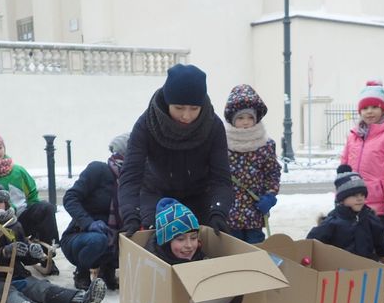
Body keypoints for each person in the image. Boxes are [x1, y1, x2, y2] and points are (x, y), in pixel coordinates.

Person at [118, 63, 232, 237]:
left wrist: (218, 211)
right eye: (179, 108)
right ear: (167, 102)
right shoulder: (146, 124)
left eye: (194, 109)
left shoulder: (213, 126)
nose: (186, 116)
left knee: (199, 251)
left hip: (200, 197)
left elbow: (221, 178)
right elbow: (131, 175)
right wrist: (131, 215)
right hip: (156, 196)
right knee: (158, 247)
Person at [0, 183, 105, 303]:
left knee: (41, 287)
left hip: (16, 273)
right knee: (5, 294)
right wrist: (4, 252)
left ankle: (80, 300)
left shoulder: (13, 224)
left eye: (0, 200)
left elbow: (25, 258)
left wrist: (31, 252)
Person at [308, 166, 384, 302]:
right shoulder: (332, 223)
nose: (360, 199)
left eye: (362, 195)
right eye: (354, 195)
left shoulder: (370, 219)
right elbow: (312, 245)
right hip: (342, 273)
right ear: (342, 198)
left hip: (369, 270)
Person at [0, 130, 61, 255]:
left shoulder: (18, 172)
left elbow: (32, 195)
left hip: (21, 218)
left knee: (45, 208)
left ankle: (46, 252)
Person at [60, 133, 127, 290]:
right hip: (81, 237)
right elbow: (70, 198)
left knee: (133, 238)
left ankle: (107, 270)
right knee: (98, 239)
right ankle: (82, 272)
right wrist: (88, 223)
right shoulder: (98, 170)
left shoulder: (134, 178)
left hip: (114, 239)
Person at [340, 80, 384, 218]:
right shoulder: (353, 136)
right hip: (351, 203)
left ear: (383, 109)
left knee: (375, 240)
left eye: (374, 107)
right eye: (365, 108)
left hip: (377, 207)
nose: (369, 112)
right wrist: (340, 195)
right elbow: (343, 169)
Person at [223, 84, 281, 244]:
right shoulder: (222, 143)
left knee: (257, 251)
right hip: (230, 213)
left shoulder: (265, 145)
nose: (246, 122)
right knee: (233, 253)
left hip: (255, 211)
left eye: (250, 117)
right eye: (240, 118)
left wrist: (270, 195)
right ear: (232, 119)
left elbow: (272, 173)